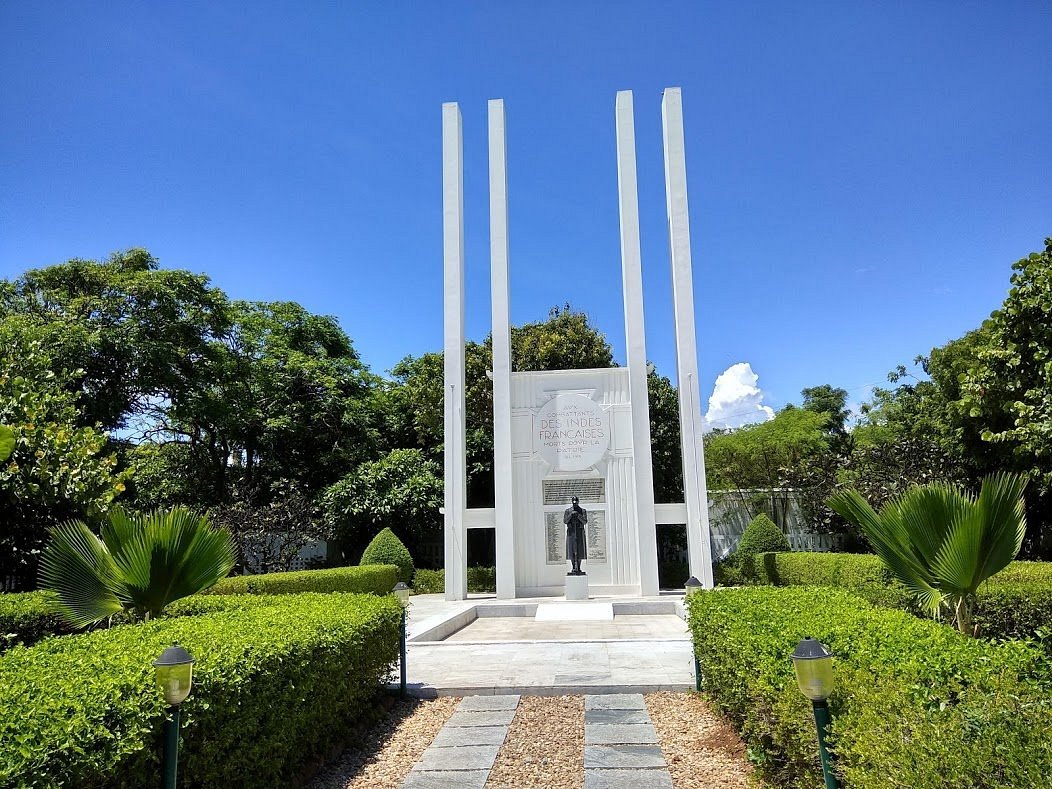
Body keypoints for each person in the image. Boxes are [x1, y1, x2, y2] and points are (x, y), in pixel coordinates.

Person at [563, 496, 587, 575]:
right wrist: (571, 515)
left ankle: (579, 567)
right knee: (571, 550)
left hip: (579, 532)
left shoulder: (582, 511)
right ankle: (573, 567)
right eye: (574, 503)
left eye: (576, 502)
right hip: (571, 533)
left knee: (580, 550)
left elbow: (584, 522)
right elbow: (565, 521)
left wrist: (578, 515)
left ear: (578, 502)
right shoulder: (568, 511)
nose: (575, 504)